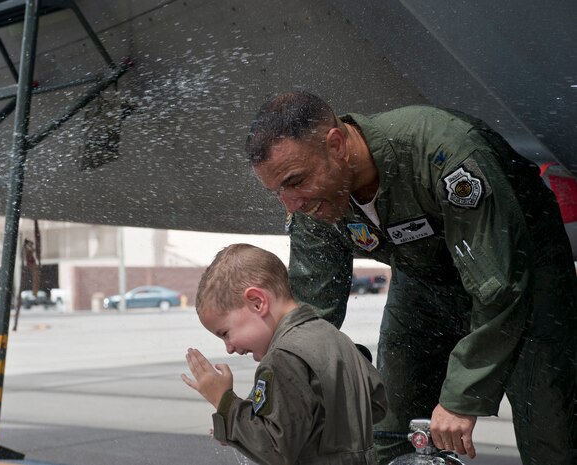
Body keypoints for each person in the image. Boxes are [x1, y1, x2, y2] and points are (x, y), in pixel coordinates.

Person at [245, 91, 577, 465]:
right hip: (425, 279)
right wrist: (285, 389)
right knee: (390, 429)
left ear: (336, 144)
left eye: (295, 181)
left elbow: (499, 285)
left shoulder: (442, 154)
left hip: (523, 275)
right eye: (278, 192)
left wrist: (460, 399)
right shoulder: (314, 202)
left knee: (551, 438)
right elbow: (310, 310)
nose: (292, 203)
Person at [182, 243, 387, 465]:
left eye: (225, 333)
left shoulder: (282, 358)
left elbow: (275, 450)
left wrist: (225, 403)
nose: (229, 347)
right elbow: (376, 403)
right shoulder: (335, 338)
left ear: (257, 302)